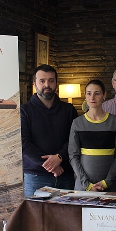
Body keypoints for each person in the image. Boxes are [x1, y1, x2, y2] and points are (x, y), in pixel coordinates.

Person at [20, 64, 78, 197]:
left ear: (56, 83)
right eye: (42, 81)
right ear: (35, 84)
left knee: (66, 216)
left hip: (65, 175)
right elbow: (23, 143)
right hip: (35, 176)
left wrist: (59, 157)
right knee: (35, 217)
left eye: (51, 80)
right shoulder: (24, 110)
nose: (47, 84)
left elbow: (74, 140)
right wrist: (51, 165)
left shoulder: (69, 110)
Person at [69, 80, 116, 192]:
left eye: (97, 93)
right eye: (89, 93)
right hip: (83, 187)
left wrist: (107, 182)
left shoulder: (115, 122)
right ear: (85, 96)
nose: (92, 97)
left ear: (104, 95)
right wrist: (87, 185)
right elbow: (73, 155)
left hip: (109, 186)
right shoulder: (77, 123)